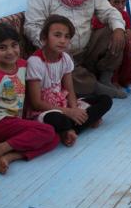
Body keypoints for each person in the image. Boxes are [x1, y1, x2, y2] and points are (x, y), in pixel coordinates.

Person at [24, 0, 127, 99]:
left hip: (86, 51)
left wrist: (118, 29)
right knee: (61, 63)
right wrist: (54, 46)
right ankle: (95, 87)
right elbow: (32, 26)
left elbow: (109, 12)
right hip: (60, 53)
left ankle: (105, 79)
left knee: (116, 30)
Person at [0, 23, 60, 176]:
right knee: (46, 131)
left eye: (14, 45)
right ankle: (1, 148)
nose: (10, 52)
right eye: (2, 48)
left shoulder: (23, 65)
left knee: (54, 138)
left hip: (15, 123)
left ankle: (9, 156)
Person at [27, 15, 113, 147]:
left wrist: (74, 110)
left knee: (106, 100)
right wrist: (69, 113)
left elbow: (70, 91)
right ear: (44, 38)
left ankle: (68, 129)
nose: (62, 40)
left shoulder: (65, 58)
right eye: (57, 35)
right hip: (46, 110)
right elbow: (36, 103)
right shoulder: (35, 62)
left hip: (64, 104)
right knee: (56, 119)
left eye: (67, 37)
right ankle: (75, 126)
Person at [92, 0, 131, 89]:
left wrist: (130, 36)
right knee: (115, 47)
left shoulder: (124, 15)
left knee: (129, 50)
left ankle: (125, 79)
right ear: (107, 2)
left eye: (123, 2)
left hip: (122, 45)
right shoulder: (100, 15)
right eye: (116, 2)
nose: (121, 6)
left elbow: (129, 30)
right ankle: (112, 80)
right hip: (106, 46)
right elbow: (98, 32)